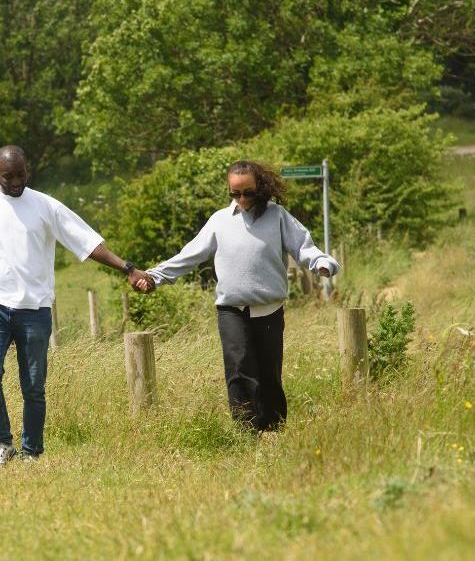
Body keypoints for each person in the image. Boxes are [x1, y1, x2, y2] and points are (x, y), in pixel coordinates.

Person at [0, 145, 152, 469]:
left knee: (33, 385)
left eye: (21, 174)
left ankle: (31, 453)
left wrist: (128, 269)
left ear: (27, 170)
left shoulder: (45, 206)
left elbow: (87, 242)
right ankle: (3, 444)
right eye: (8, 177)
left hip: (35, 309)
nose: (16, 181)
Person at [142, 160, 339, 432]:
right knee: (239, 371)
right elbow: (189, 255)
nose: (242, 199)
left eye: (248, 192)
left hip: (268, 309)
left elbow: (303, 247)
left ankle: (273, 430)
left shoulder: (277, 216)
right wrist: (154, 276)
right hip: (231, 310)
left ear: (260, 186)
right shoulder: (219, 221)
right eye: (235, 193)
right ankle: (246, 433)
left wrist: (321, 263)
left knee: (269, 373)